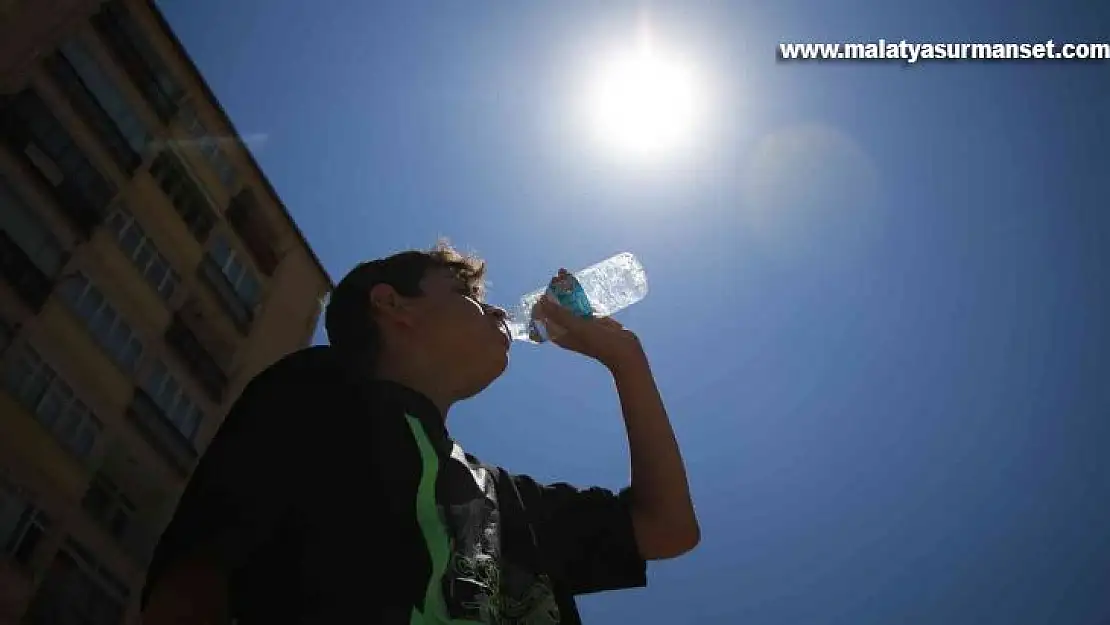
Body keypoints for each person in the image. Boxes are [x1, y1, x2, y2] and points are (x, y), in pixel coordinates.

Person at [140, 243, 699, 624]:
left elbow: (667, 529)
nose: (499, 311)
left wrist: (626, 361)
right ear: (392, 306)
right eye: (470, 298)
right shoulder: (322, 391)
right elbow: (194, 582)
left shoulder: (498, 501)